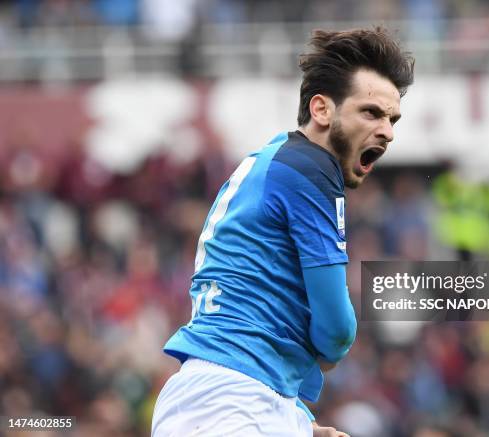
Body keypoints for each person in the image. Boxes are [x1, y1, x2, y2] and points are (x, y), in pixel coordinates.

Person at [151, 26, 414, 437]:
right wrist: (331, 349)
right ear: (322, 110)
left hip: (234, 395)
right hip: (229, 402)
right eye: (371, 113)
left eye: (392, 119)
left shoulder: (276, 158)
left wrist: (301, 425)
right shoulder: (309, 168)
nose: (388, 131)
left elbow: (260, 318)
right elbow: (336, 328)